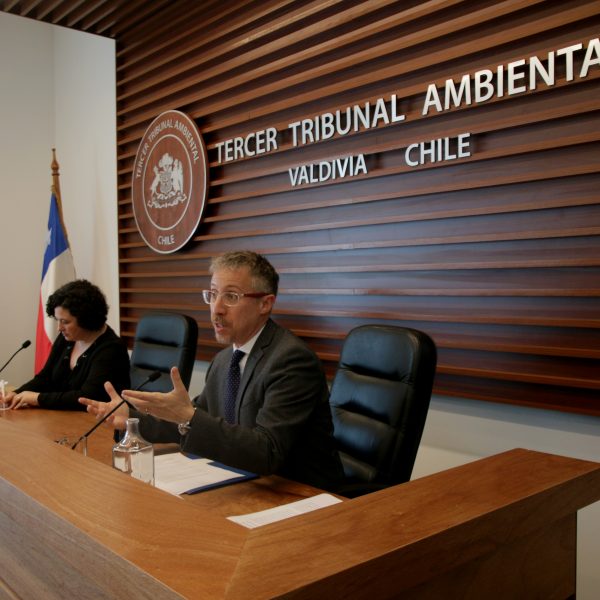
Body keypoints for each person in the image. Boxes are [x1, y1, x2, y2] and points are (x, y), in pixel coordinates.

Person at [81, 251, 344, 492]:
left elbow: (267, 451)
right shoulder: (224, 359)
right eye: (213, 294)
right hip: (245, 482)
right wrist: (133, 420)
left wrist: (190, 417)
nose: (216, 309)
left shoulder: (291, 360)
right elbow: (197, 420)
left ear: (265, 303)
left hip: (301, 494)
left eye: (231, 297)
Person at [5, 279, 130, 410]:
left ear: (86, 319)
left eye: (65, 322)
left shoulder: (112, 349)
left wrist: (37, 398)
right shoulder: (66, 338)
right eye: (57, 320)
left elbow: (88, 397)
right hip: (60, 417)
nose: (59, 328)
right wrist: (16, 394)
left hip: (95, 420)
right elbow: (45, 378)